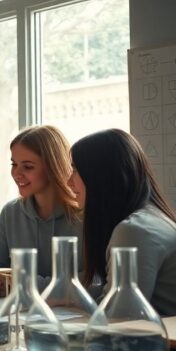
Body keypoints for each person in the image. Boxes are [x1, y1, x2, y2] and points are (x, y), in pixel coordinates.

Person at [69, 129, 176, 316]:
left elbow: (117, 318)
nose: (69, 182)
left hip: (160, 344)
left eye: (76, 170)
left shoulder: (134, 230)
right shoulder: (153, 217)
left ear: (101, 176)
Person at [0, 125, 82, 297]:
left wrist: (21, 283)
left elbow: (91, 284)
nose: (16, 173)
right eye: (14, 164)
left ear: (53, 167)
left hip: (77, 320)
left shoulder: (84, 215)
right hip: (18, 316)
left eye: (28, 167)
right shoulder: (10, 213)